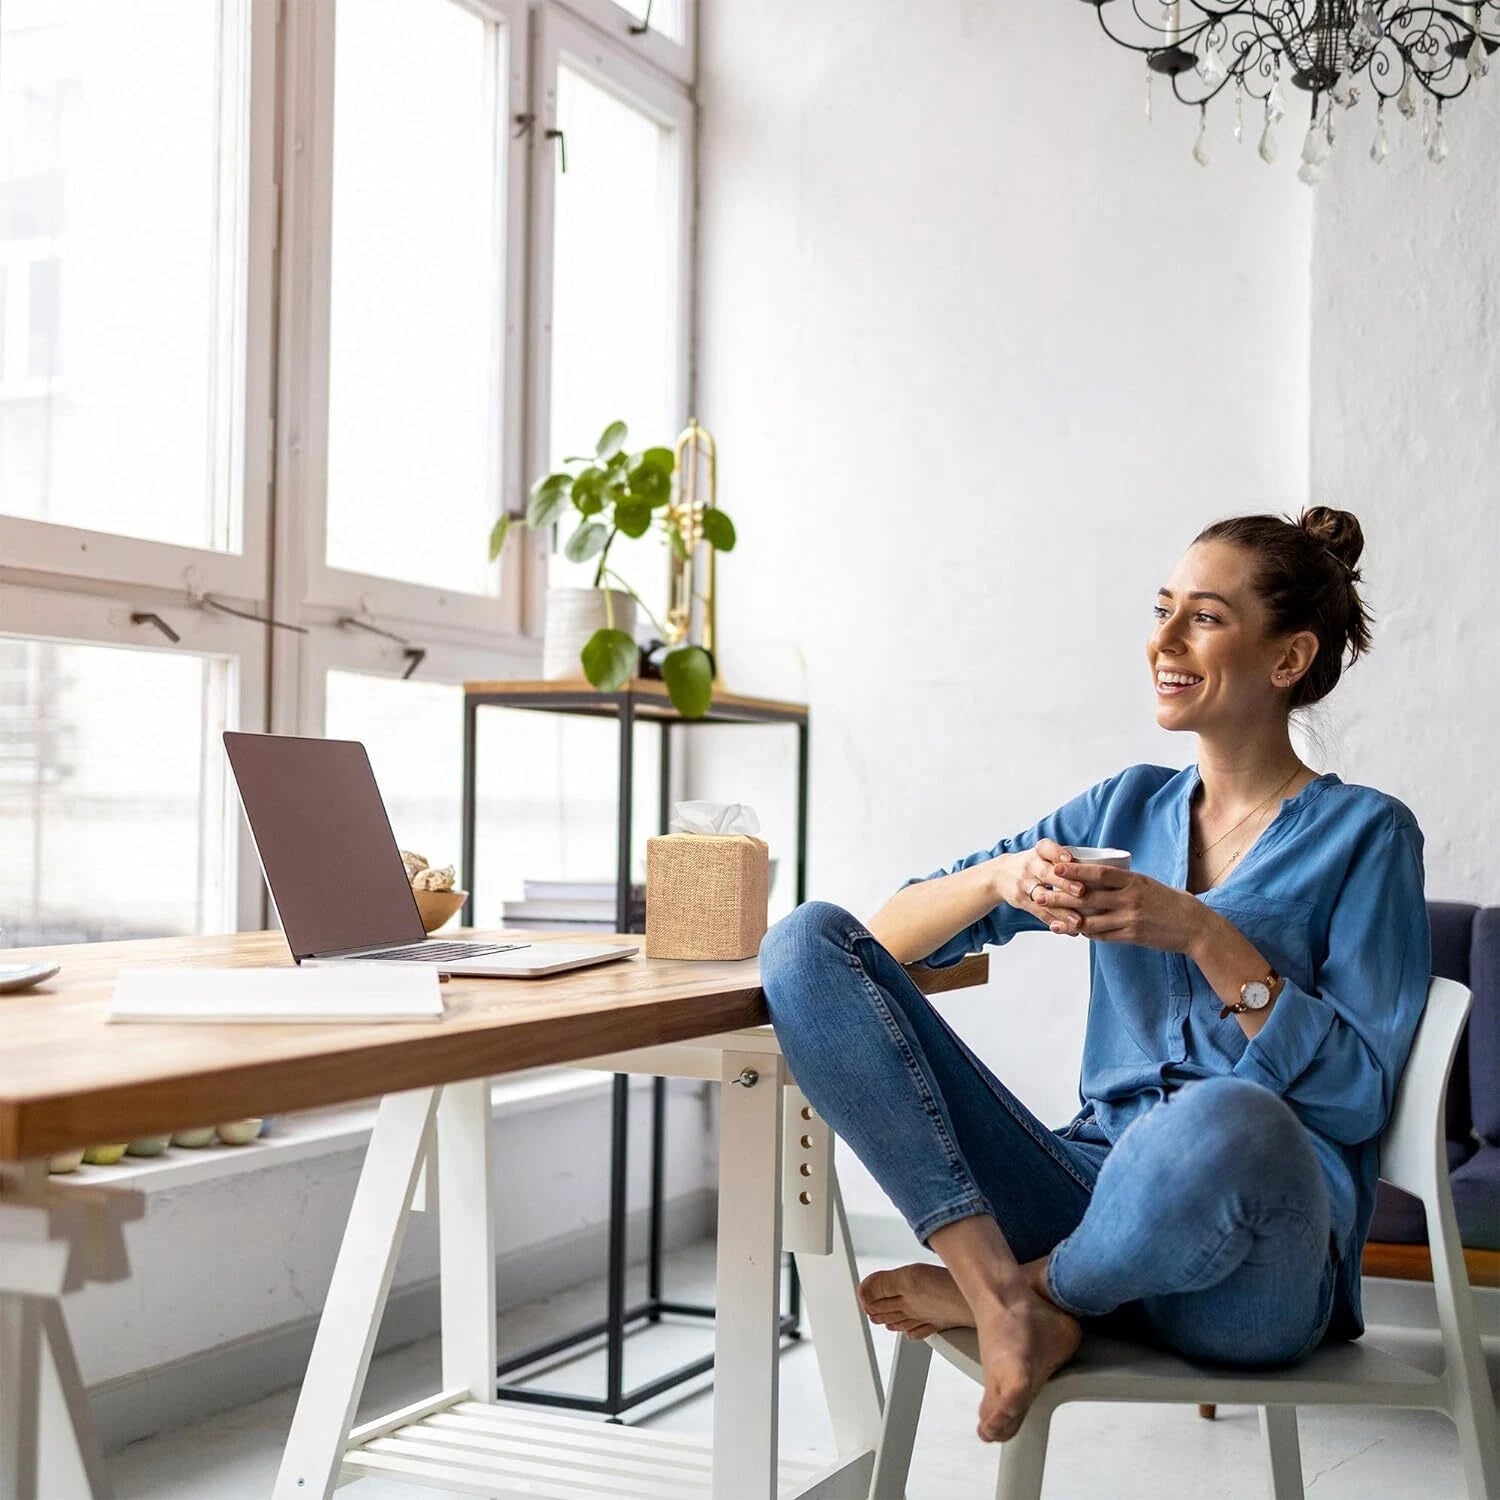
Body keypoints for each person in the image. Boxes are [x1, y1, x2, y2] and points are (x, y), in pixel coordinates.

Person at [759, 506, 1430, 1445]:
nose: (1162, 641)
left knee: (1226, 1114)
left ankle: (1029, 1292)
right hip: (1089, 1186)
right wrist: (1003, 879)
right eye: (1162, 610)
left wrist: (1203, 934)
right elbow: (884, 941)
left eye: (1204, 617)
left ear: (1287, 661)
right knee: (804, 941)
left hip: (1256, 1265)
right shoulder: (1127, 805)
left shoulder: (1368, 833)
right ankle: (1005, 1299)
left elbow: (1358, 1096)